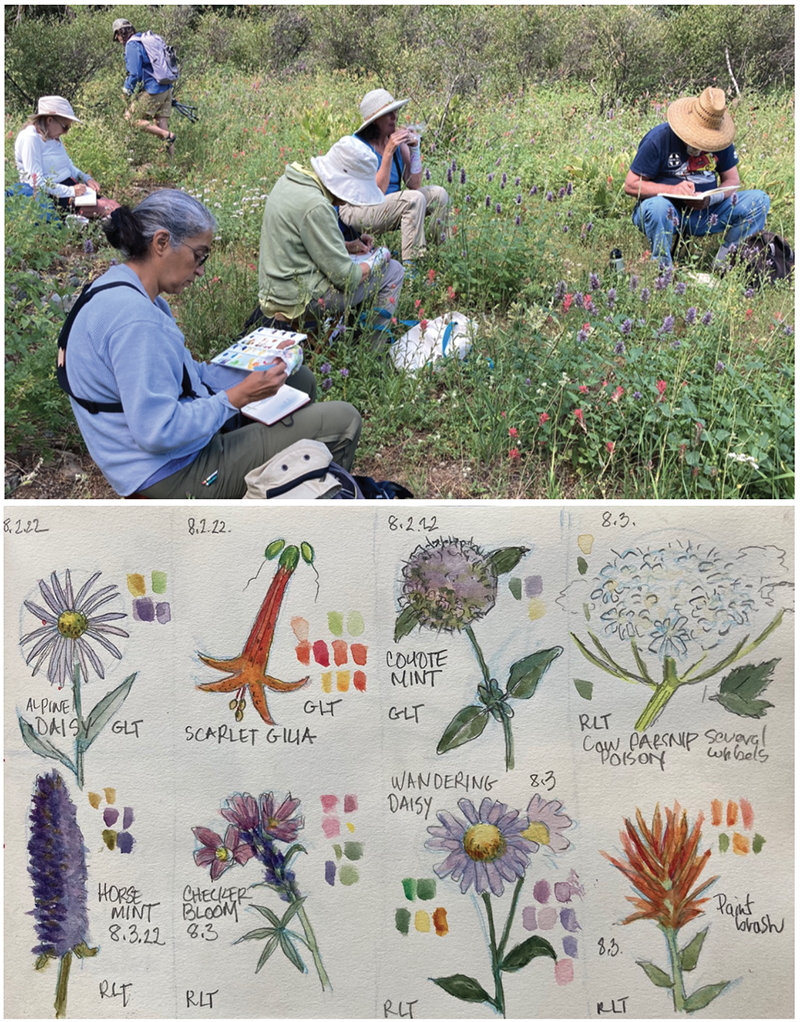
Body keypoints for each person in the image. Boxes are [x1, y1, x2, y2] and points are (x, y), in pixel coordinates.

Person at [60, 190, 361, 499]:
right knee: (344, 420)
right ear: (161, 242)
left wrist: (252, 368)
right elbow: (157, 432)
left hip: (158, 453)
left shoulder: (120, 288)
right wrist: (235, 397)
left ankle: (287, 482)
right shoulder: (137, 321)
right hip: (169, 473)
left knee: (298, 380)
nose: (201, 269)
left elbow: (183, 376)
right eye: (199, 255)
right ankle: (313, 514)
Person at [258, 135, 404, 348]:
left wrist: (346, 246)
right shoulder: (317, 206)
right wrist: (378, 259)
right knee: (394, 270)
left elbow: (302, 241)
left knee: (364, 262)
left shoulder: (290, 182)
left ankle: (349, 333)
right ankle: (373, 349)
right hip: (298, 298)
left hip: (275, 288)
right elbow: (347, 278)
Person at [625, 86, 770, 267]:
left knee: (759, 200)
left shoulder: (721, 142)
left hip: (706, 213)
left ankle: (726, 263)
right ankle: (662, 270)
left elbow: (733, 181)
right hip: (666, 212)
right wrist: (671, 190)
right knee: (658, 206)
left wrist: (711, 198)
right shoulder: (658, 139)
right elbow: (631, 185)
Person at [338, 89, 450, 266]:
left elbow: (414, 183)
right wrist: (389, 150)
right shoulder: (359, 147)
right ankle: (412, 268)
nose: (394, 116)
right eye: (388, 114)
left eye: (395, 111)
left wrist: (414, 149)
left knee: (439, 194)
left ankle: (444, 255)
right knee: (413, 199)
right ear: (374, 121)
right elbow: (375, 192)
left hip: (387, 205)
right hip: (358, 209)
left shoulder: (394, 140)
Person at [14, 96, 120, 219]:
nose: (66, 132)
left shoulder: (52, 137)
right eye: (65, 127)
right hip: (51, 195)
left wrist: (86, 178)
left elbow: (68, 166)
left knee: (112, 204)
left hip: (69, 186)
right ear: (49, 121)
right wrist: (71, 192)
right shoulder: (30, 138)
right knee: (107, 208)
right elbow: (36, 183)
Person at [112, 18, 176, 155]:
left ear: (120, 33)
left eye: (117, 36)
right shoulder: (145, 39)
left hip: (153, 90)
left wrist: (126, 90)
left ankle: (167, 136)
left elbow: (135, 73)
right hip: (166, 87)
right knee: (161, 123)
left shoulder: (132, 45)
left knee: (131, 118)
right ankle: (172, 166)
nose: (118, 40)